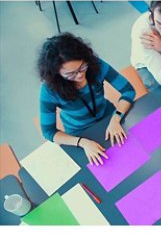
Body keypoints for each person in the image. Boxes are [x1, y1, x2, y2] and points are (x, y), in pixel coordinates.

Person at [38, 33, 136, 166]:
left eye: (82, 67)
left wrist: (116, 118)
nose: (79, 75)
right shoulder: (49, 90)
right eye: (70, 74)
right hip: (79, 132)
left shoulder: (96, 65)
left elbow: (128, 90)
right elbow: (49, 132)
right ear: (56, 73)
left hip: (109, 116)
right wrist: (82, 142)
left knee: (134, 153)